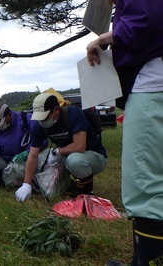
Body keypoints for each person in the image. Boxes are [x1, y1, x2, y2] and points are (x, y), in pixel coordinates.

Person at [86, 1, 163, 265]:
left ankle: (146, 261)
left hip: (151, 86)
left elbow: (148, 15)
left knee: (144, 183)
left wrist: (107, 37)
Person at [15, 93, 108, 202]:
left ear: (56, 110)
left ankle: (87, 194)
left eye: (46, 116)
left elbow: (80, 146)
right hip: (66, 156)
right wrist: (26, 184)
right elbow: (33, 155)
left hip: (94, 156)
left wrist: (58, 151)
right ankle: (70, 186)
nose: (42, 121)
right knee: (41, 164)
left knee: (74, 161)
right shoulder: (39, 126)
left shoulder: (73, 114)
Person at [0, 103, 48, 194]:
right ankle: (4, 180)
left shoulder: (25, 119)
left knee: (20, 168)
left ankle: (26, 183)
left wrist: (27, 152)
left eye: (1, 122)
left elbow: (42, 139)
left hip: (24, 161)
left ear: (9, 115)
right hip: (6, 160)